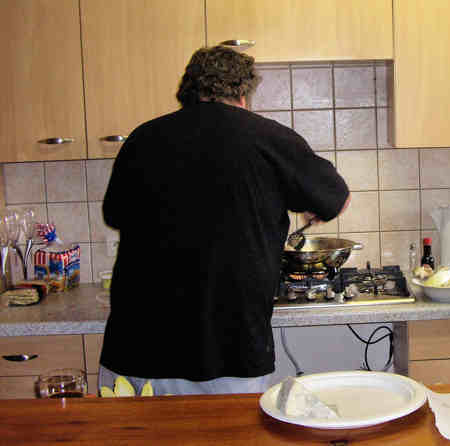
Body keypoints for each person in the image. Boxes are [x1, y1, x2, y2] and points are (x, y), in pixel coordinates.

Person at [99, 46, 351, 394]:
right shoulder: (269, 138)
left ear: (188, 91)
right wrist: (311, 206)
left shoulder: (143, 138)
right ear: (244, 94)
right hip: (229, 350)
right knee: (230, 426)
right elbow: (337, 198)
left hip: (139, 347)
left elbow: (114, 214)